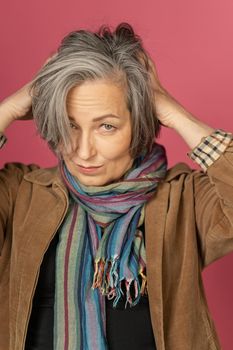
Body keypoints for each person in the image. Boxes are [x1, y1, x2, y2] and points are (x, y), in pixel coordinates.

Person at [0, 22, 233, 350]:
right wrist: (8, 109)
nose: (83, 151)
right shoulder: (20, 193)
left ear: (140, 122)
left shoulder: (184, 199)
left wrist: (172, 110)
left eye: (106, 126)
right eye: (69, 124)